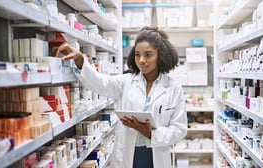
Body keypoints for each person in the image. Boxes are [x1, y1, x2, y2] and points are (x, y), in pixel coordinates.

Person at [55, 26, 188, 168]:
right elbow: (101, 83)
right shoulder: (127, 81)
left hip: (156, 155)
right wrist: (81, 60)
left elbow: (180, 129)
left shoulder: (173, 88)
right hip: (128, 154)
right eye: (137, 54)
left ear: (160, 56)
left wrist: (151, 133)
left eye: (148, 55)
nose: (141, 60)